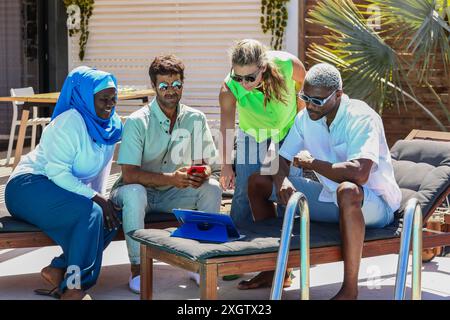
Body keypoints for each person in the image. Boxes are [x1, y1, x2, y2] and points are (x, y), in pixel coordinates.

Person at [247, 63, 402, 299]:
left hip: (373, 206)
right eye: (305, 97)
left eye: (317, 100)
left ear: (338, 95)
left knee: (348, 189)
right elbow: (278, 160)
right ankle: (274, 270)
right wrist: (281, 182)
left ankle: (349, 289)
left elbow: (360, 173)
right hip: (331, 199)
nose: (309, 105)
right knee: (259, 181)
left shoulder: (361, 117)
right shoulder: (305, 118)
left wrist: (312, 164)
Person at [5, 66, 123, 300]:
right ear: (86, 98)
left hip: (61, 191)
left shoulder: (111, 126)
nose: (109, 105)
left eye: (113, 98)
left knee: (111, 217)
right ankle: (74, 288)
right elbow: (57, 173)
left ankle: (58, 268)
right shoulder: (69, 123)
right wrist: (95, 200)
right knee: (91, 213)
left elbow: (100, 172)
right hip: (27, 187)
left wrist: (102, 200)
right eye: (102, 99)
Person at [109, 54, 222, 294]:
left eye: (176, 84)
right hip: (137, 193)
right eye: (164, 85)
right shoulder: (137, 122)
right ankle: (138, 268)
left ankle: (200, 263)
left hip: (174, 192)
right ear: (154, 87)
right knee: (135, 193)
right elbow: (128, 175)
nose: (171, 90)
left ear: (183, 84)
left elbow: (208, 163)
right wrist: (171, 178)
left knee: (211, 187)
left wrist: (201, 173)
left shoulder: (196, 118)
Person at [218, 39, 306, 289]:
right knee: (244, 193)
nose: (244, 84)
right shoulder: (229, 88)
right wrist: (226, 165)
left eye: (250, 78)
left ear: (264, 68)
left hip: (287, 131)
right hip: (252, 134)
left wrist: (302, 130)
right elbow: (226, 127)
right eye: (239, 77)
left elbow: (305, 91)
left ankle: (287, 261)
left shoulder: (289, 65)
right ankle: (237, 257)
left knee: (286, 192)